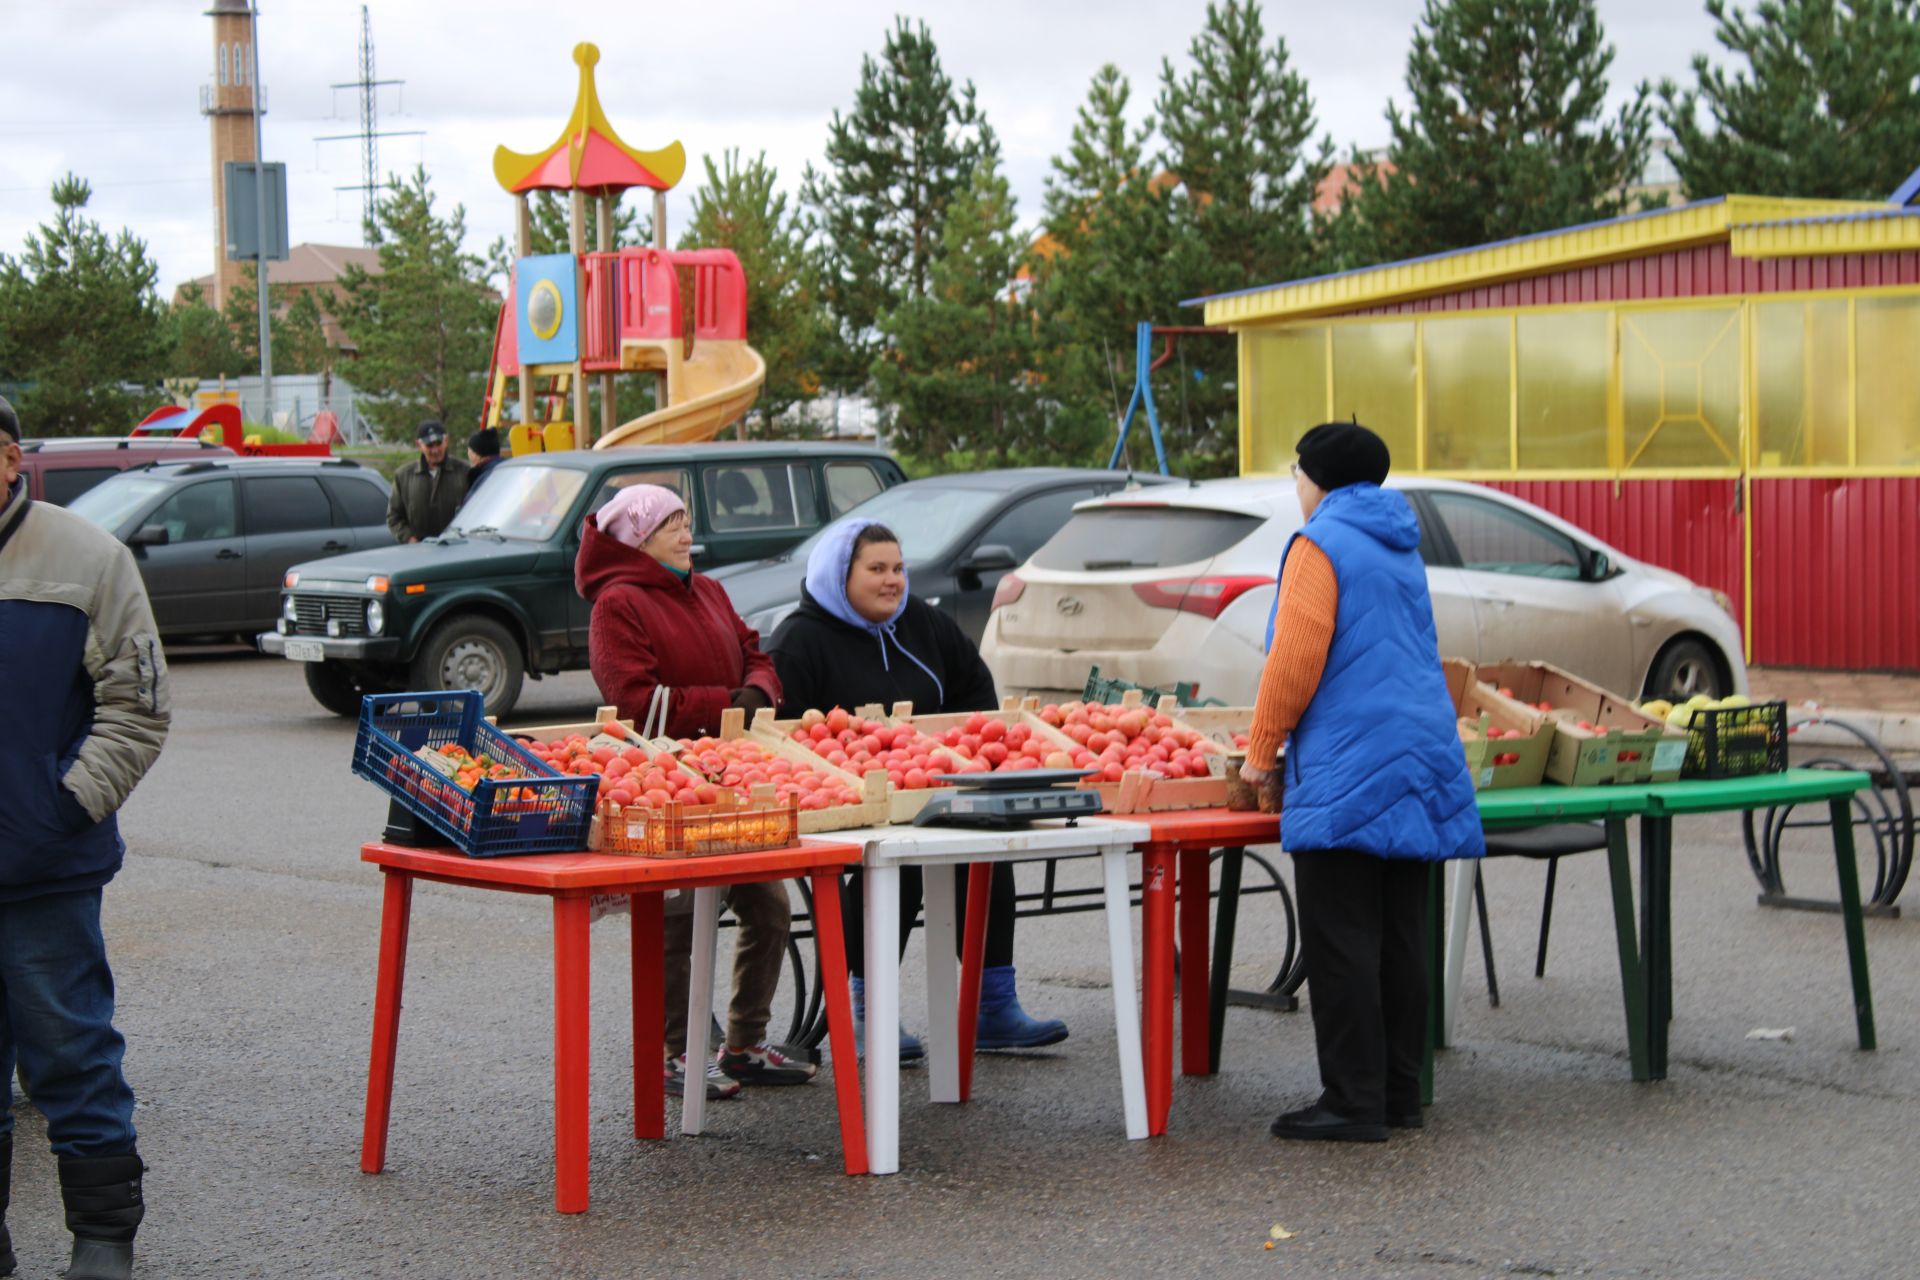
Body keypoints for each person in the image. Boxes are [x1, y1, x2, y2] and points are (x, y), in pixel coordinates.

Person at [1239, 422, 1483, 1143]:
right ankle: (1399, 1095)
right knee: (1400, 935)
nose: (1295, 484)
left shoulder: (1320, 543)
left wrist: (1261, 752)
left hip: (1351, 756)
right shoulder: (1397, 541)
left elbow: (1296, 658)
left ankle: (1351, 1101)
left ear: (1316, 477)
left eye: (1297, 471)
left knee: (1341, 936)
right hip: (1420, 751)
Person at [767, 518, 1067, 1057]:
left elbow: (976, 693)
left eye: (899, 569)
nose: (893, 581)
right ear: (841, 574)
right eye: (876, 569)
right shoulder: (800, 640)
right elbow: (785, 735)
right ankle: (864, 1012)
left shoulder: (926, 626)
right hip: (843, 807)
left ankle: (992, 1006)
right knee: (896, 869)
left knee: (987, 854)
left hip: (936, 788)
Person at [0, 394, 169, 1279]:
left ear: (12, 459)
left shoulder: (86, 558)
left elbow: (137, 708)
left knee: (71, 1055)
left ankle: (103, 1240)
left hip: (44, 871)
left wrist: (61, 810)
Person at [575, 483, 812, 1099]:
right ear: (637, 537)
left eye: (686, 520)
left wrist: (759, 691)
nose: (687, 532)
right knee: (675, 917)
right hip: (665, 781)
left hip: (730, 775)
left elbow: (753, 650)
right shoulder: (617, 604)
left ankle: (743, 1045)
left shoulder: (706, 588)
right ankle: (673, 1053)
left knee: (769, 904)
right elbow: (631, 702)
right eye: (672, 523)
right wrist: (721, 705)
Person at [385, 419, 471, 544]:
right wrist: (410, 539)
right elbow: (394, 517)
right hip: (418, 553)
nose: (435, 450)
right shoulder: (403, 476)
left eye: (438, 443)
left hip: (457, 549)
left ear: (446, 441)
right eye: (429, 445)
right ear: (419, 445)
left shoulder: (464, 471)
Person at [464, 426, 503, 495]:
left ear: (476, 455)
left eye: (469, 450)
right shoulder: (507, 468)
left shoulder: (484, 478)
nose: (468, 454)